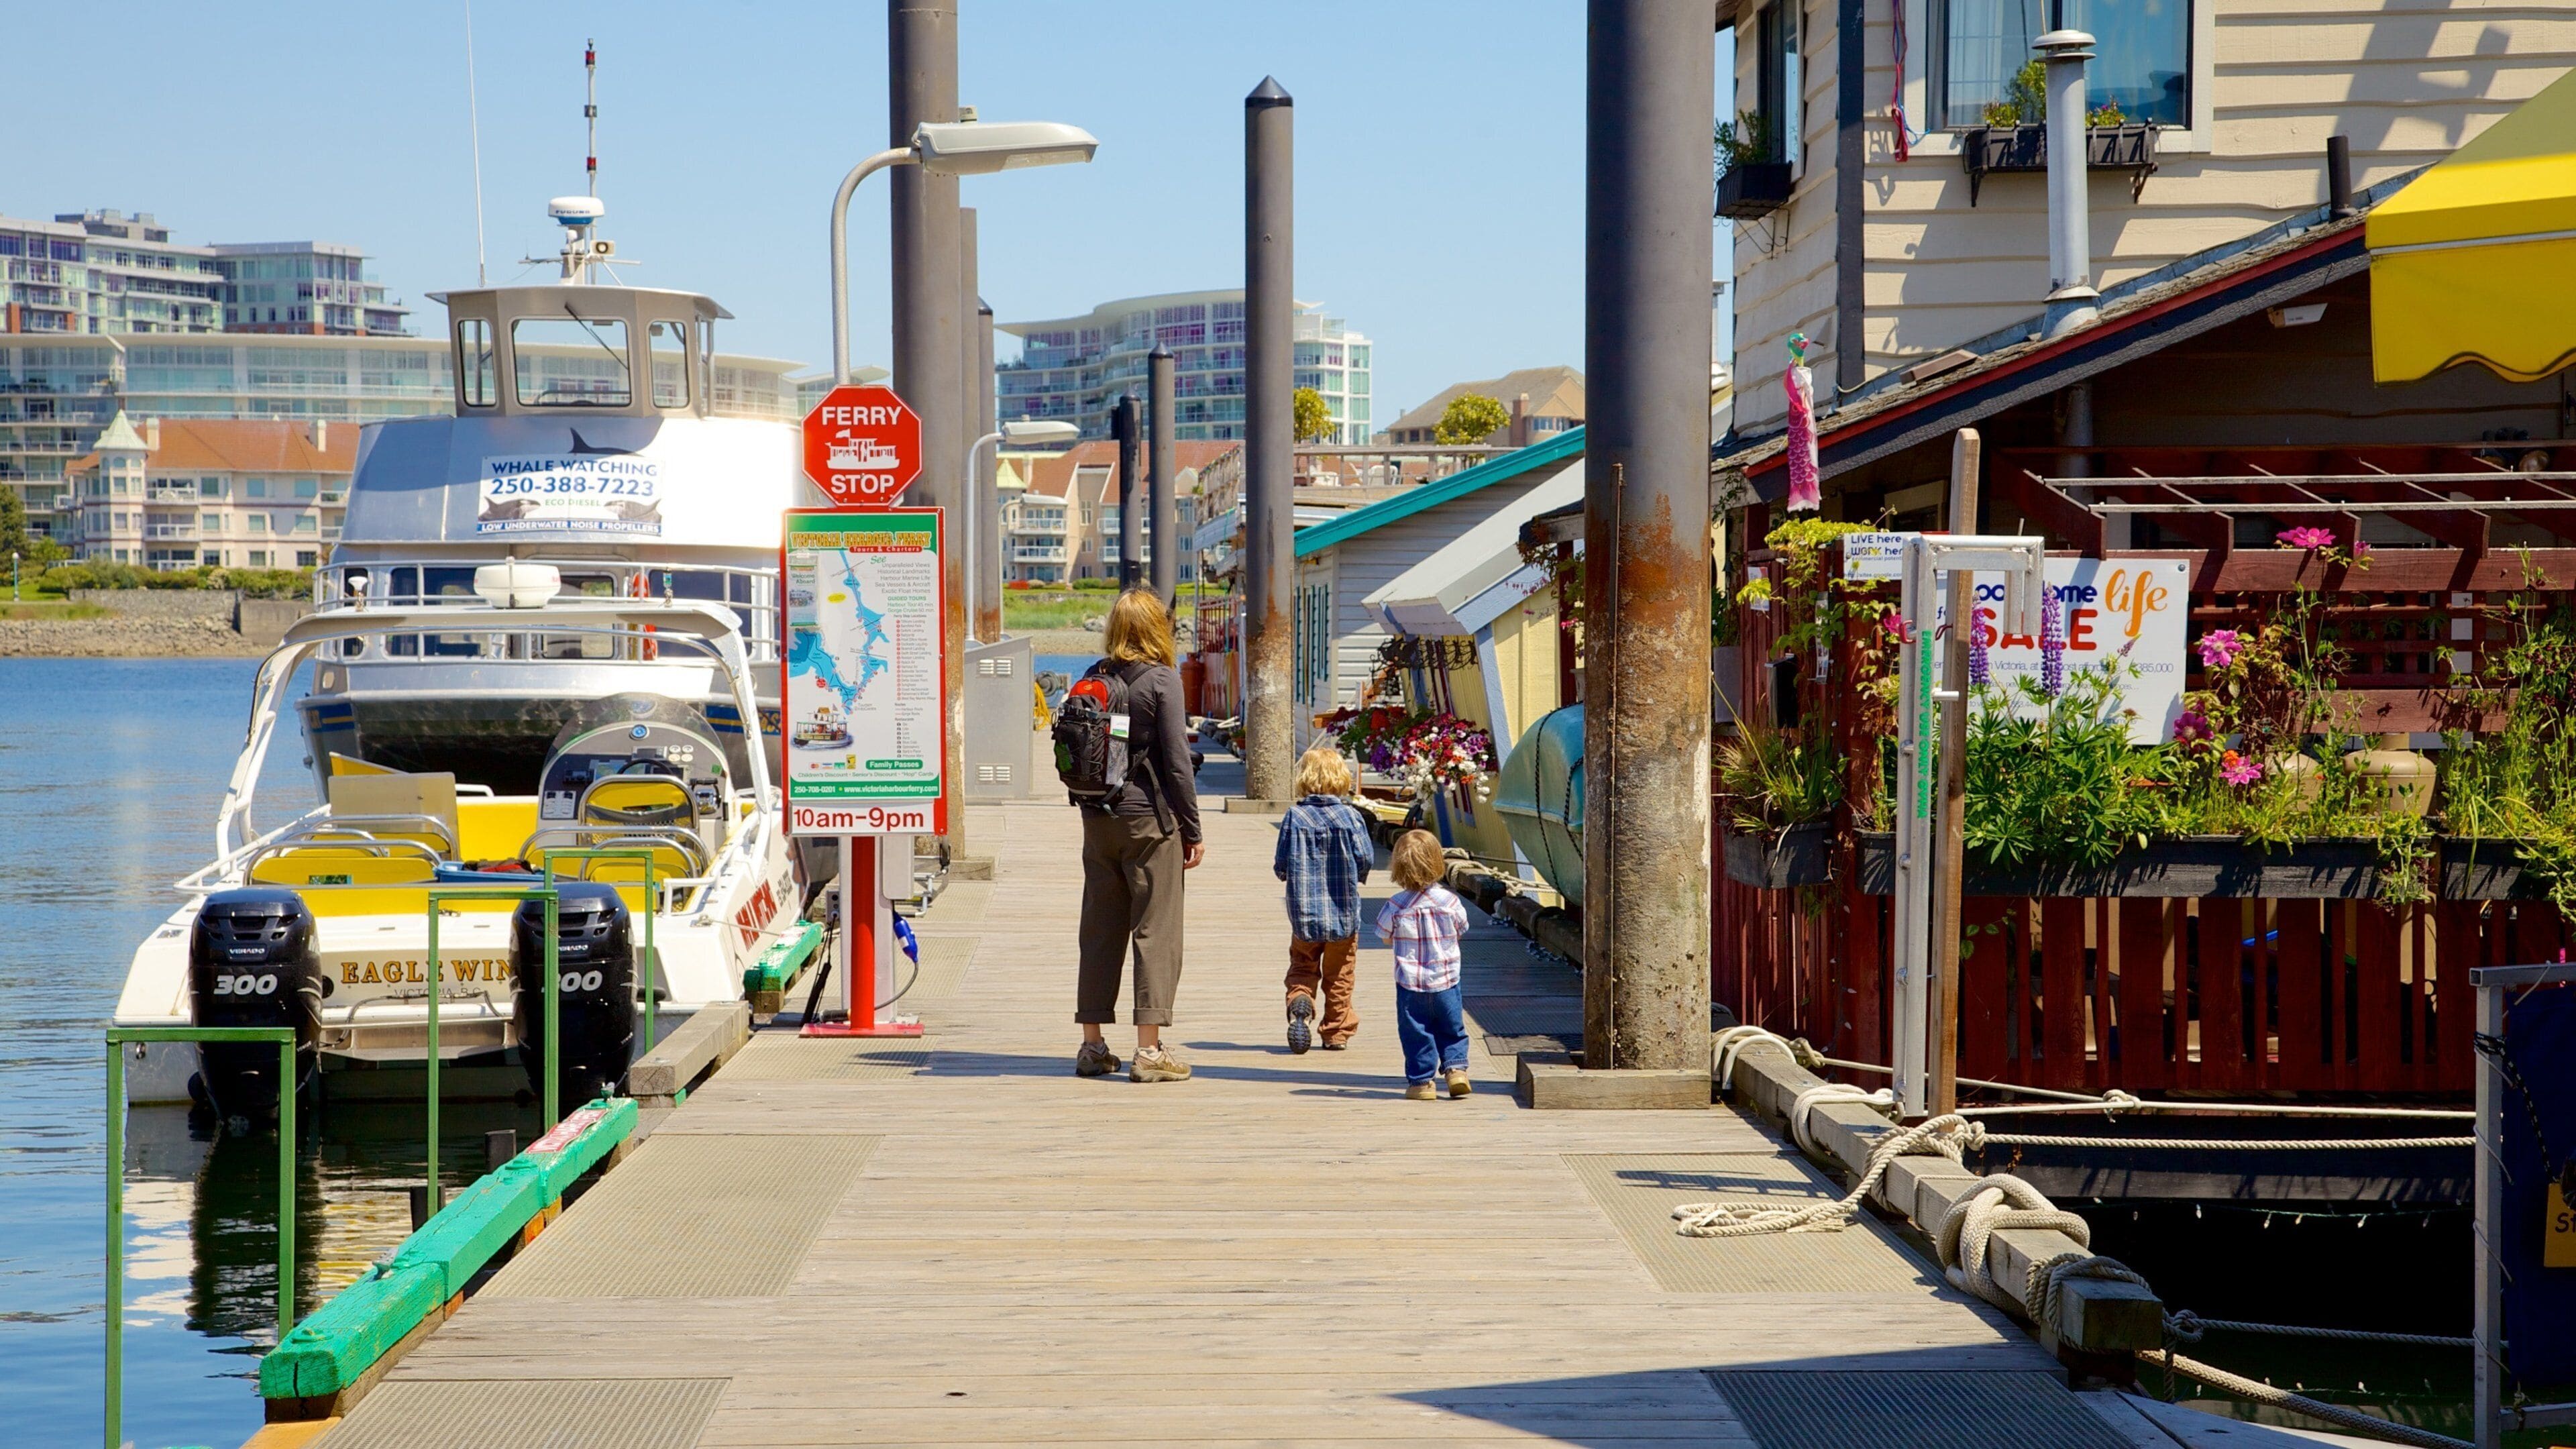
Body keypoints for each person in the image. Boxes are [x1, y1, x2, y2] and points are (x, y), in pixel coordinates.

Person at [1072, 588, 1203, 1083]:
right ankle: (1149, 1053)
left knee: (1100, 931)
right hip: (1149, 822)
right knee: (1155, 931)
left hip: (1097, 820)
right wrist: (1192, 830)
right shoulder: (1162, 681)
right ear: (1157, 629)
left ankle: (1092, 1046)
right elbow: (1176, 763)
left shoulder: (1093, 677)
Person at [1274, 745, 1373, 1054]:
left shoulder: (1295, 815)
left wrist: (1287, 874)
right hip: (1343, 916)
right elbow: (1366, 857)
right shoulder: (1351, 816)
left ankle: (1301, 1000)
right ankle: (1335, 1033)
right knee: (1339, 975)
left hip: (1304, 916)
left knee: (1303, 965)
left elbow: (1281, 863)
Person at [1374, 828, 1473, 1100]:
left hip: (1410, 984)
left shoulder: (1396, 905)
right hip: (1447, 981)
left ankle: (1421, 1084)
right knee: (1452, 1028)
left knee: (1416, 1033)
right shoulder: (1450, 901)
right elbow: (1462, 928)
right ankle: (1456, 1072)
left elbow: (1384, 936)